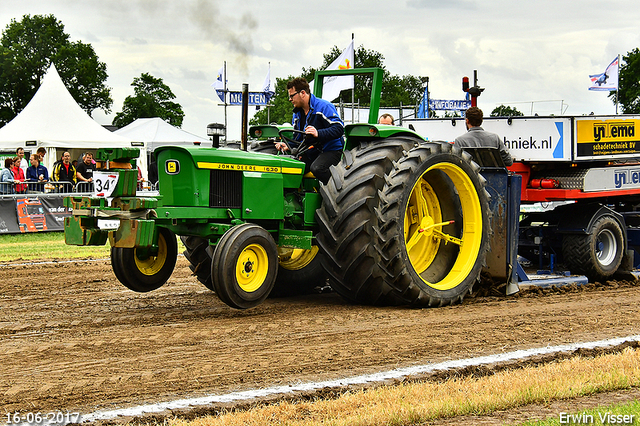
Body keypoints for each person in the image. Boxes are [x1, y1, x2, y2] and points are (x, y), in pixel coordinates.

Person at [274, 77, 345, 185]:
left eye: (292, 96)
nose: (290, 99)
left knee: (317, 168)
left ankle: (338, 192)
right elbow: (298, 138)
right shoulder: (297, 113)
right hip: (311, 152)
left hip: (331, 150)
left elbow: (339, 128)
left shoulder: (323, 107)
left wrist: (318, 133)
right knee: (290, 167)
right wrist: (288, 145)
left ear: (302, 93)